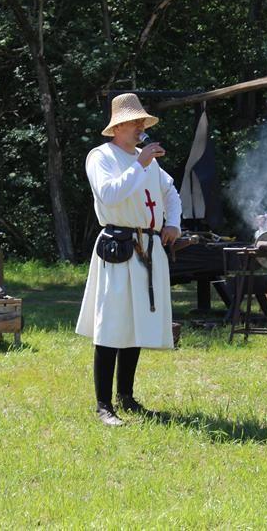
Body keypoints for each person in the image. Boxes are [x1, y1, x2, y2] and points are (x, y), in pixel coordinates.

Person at [76, 93, 182, 426]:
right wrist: (140, 165)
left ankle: (127, 397)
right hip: (118, 246)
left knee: (134, 325)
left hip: (148, 247)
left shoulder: (146, 160)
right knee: (112, 325)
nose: (141, 128)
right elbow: (109, 194)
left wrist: (174, 222)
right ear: (120, 126)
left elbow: (170, 192)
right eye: (136, 122)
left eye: (142, 122)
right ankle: (103, 405)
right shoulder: (101, 157)